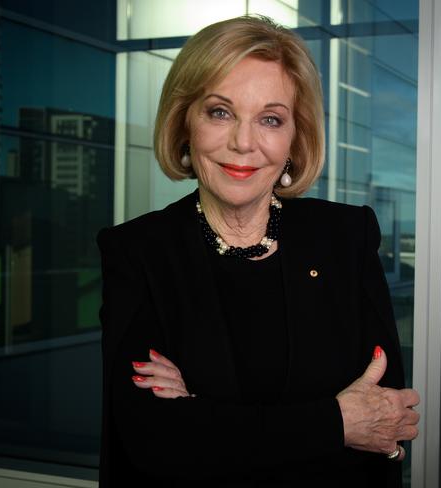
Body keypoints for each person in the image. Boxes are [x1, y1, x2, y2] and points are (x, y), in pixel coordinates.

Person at [97, 15, 420, 487]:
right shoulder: (138, 251)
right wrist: (337, 423)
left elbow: (388, 420)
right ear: (184, 122)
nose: (243, 142)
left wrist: (210, 420)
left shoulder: (346, 237)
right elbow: (156, 442)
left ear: (295, 137)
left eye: (270, 119)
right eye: (220, 112)